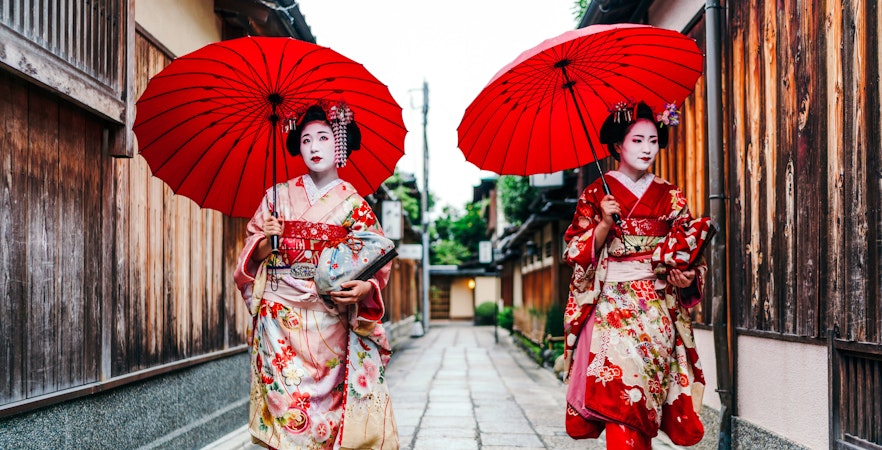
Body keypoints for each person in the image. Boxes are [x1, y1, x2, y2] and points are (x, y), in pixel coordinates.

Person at [234, 102, 395, 449]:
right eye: (306, 140)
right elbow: (251, 255)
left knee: (329, 418)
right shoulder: (276, 196)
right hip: (279, 322)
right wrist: (266, 240)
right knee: (284, 411)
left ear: (339, 144)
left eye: (323, 137)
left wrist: (364, 288)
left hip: (329, 323)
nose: (314, 147)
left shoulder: (354, 205)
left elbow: (377, 262)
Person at [562, 101, 707, 449]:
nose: (647, 149)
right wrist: (603, 224)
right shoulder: (596, 193)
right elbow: (573, 252)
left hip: (656, 306)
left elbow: (688, 248)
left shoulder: (670, 195)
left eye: (653, 141)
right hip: (612, 306)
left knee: (646, 395)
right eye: (638, 140)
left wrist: (685, 275)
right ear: (617, 146)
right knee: (620, 396)